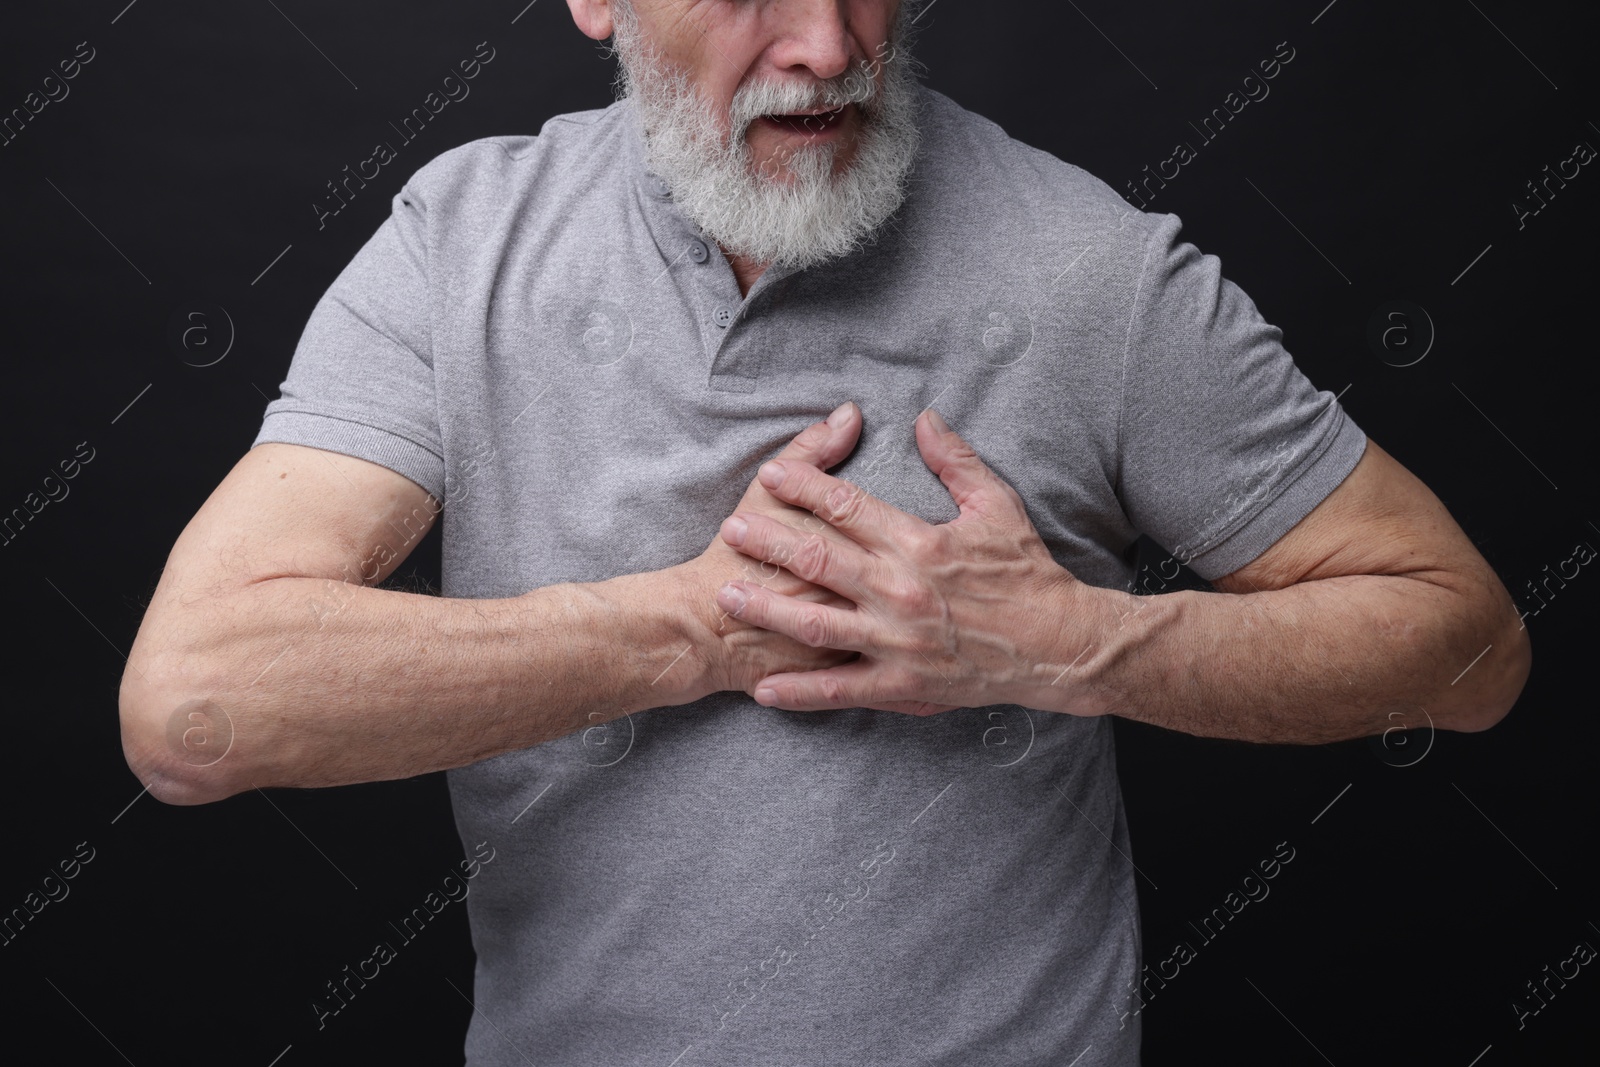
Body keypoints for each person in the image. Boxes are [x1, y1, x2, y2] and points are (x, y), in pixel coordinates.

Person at [118, 0, 1530, 1063]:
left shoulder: (1091, 270)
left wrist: (1077, 644)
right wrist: (697, 627)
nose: (823, 44)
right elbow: (195, 708)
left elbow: (1468, 650)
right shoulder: (460, 246)